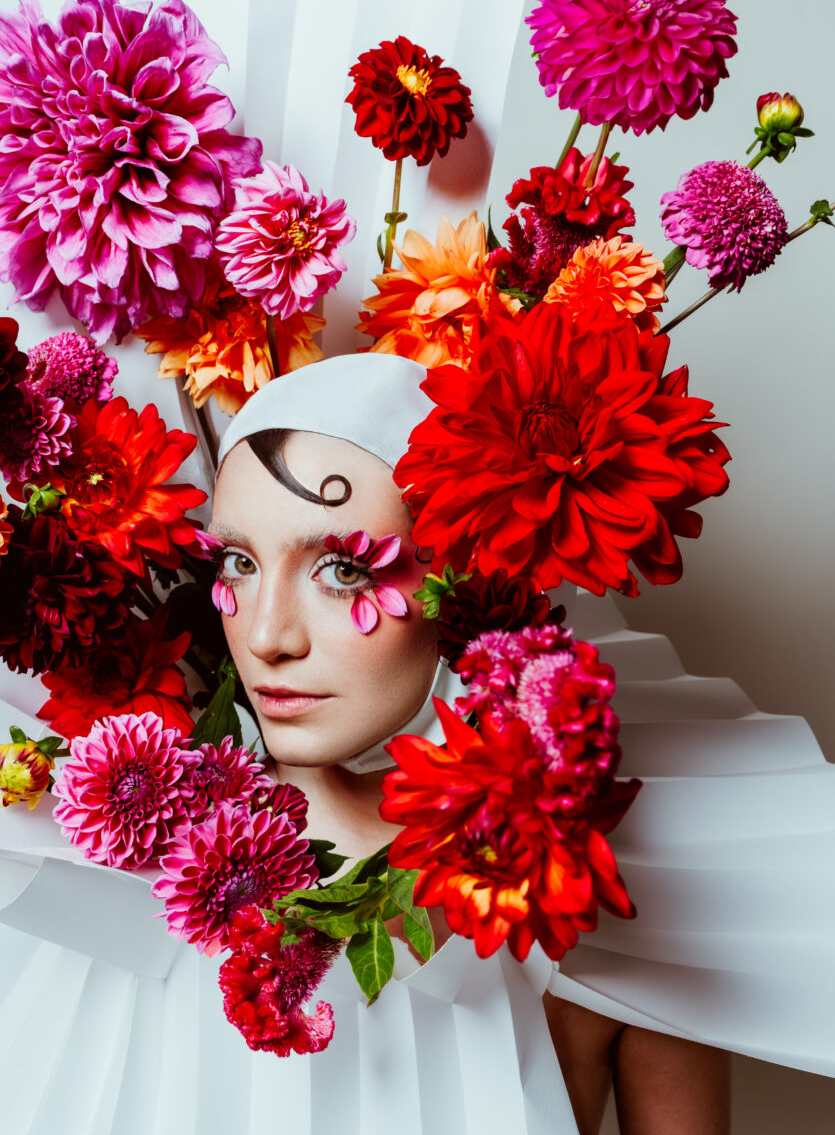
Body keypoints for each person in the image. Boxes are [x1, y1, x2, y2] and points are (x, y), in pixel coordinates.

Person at [209, 354, 732, 1133]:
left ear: (474, 583)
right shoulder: (153, 867)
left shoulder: (615, 917)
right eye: (238, 563)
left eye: (344, 569)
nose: (266, 635)